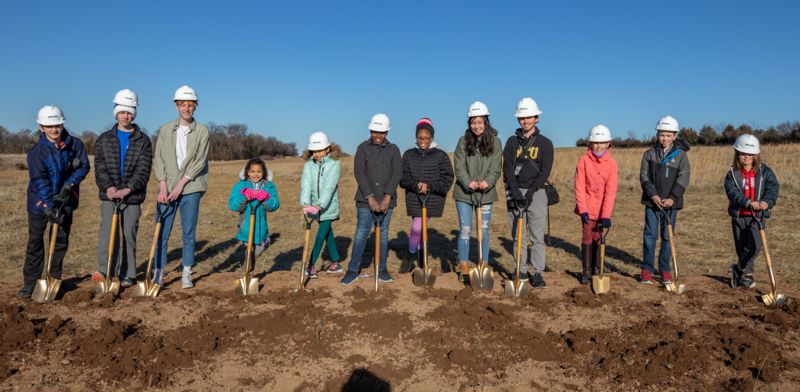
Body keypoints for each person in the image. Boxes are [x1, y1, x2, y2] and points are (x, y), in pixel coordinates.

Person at [19, 106, 90, 298]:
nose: (54, 130)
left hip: (65, 199)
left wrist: (68, 185)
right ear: (41, 128)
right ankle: (30, 283)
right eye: (49, 126)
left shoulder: (75, 145)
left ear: (62, 123)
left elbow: (84, 167)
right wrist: (50, 206)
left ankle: (54, 278)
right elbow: (40, 180)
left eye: (57, 125)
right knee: (35, 242)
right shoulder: (36, 153)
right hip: (39, 202)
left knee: (59, 240)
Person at [92, 89, 153, 287]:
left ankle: (128, 274)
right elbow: (100, 166)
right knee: (107, 234)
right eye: (122, 112)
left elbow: (144, 170)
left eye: (129, 112)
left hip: (132, 197)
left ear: (134, 114)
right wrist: (109, 187)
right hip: (109, 196)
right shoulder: (103, 139)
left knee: (129, 234)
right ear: (116, 113)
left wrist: (127, 189)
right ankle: (104, 270)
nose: (126, 116)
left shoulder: (143, 140)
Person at [153, 85, 209, 288]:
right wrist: (163, 186)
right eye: (183, 105)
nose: (187, 108)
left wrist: (181, 185)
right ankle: (158, 271)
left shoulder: (202, 131)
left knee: (188, 232)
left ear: (195, 107)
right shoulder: (166, 130)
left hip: (190, 188)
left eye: (190, 105)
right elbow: (158, 158)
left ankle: (187, 272)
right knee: (162, 231)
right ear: (176, 106)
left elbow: (199, 161)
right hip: (166, 188)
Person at [340, 113, 402, 285]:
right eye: (375, 131)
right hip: (364, 201)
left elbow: (397, 173)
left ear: (387, 132)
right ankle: (352, 270)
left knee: (382, 234)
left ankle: (381, 270)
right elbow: (359, 173)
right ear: (370, 129)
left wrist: (387, 197)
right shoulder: (362, 148)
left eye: (381, 132)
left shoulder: (394, 149)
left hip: (387, 201)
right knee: (361, 233)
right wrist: (371, 198)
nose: (378, 135)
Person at [502, 97, 553, 289]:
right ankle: (520, 270)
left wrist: (530, 192)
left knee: (537, 236)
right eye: (522, 118)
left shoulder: (545, 144)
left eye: (529, 117)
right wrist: (515, 191)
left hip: (537, 193)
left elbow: (545, 171)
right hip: (514, 192)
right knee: (518, 235)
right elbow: (507, 167)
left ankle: (538, 272)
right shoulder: (511, 142)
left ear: (536, 118)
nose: (525, 121)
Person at [639, 116, 691, 285]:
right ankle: (647, 269)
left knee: (667, 237)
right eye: (662, 135)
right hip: (652, 202)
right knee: (650, 236)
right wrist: (653, 195)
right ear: (657, 134)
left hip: (671, 204)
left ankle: (665, 270)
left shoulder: (681, 156)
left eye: (669, 135)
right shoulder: (649, 154)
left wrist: (672, 198)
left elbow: (684, 177)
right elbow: (644, 176)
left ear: (675, 136)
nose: (665, 138)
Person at [453, 102, 502, 276]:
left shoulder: (496, 142)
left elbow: (496, 168)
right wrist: (468, 182)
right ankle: (464, 265)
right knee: (465, 230)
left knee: (484, 230)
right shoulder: (463, 141)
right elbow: (459, 166)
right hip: (464, 194)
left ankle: (484, 264)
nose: (476, 126)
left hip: (486, 194)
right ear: (469, 123)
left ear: (486, 122)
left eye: (480, 122)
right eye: (473, 122)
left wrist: (487, 182)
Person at [724, 134, 779, 289]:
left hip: (757, 216)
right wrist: (748, 202)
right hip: (739, 215)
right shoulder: (732, 175)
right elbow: (733, 193)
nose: (746, 157)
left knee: (754, 246)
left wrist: (766, 203)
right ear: (737, 154)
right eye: (743, 154)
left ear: (755, 154)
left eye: (749, 154)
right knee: (742, 248)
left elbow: (773, 189)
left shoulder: (765, 172)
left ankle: (738, 269)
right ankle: (747, 275)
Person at [399, 118, 454, 271]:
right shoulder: (409, 154)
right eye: (420, 138)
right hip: (414, 197)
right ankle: (420, 255)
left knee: (418, 226)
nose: (423, 141)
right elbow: (403, 177)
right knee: (420, 227)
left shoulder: (441, 155)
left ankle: (410, 255)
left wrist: (430, 187)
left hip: (432, 198)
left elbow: (447, 176)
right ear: (416, 137)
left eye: (427, 138)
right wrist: (416, 185)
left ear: (432, 138)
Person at [573, 125, 618, 285]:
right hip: (586, 208)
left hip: (601, 211)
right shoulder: (584, 161)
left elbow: (610, 191)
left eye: (602, 142)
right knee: (587, 237)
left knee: (598, 238)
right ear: (590, 143)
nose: (599, 145)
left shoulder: (612, 164)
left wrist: (606, 215)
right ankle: (586, 271)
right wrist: (583, 210)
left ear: (608, 143)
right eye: (595, 142)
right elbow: (579, 186)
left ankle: (597, 270)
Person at [299, 132, 342, 278]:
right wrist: (305, 204)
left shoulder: (334, 165)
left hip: (328, 206)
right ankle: (336, 262)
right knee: (327, 234)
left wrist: (320, 205)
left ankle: (310, 265)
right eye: (314, 151)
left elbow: (329, 188)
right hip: (313, 208)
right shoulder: (308, 166)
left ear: (328, 149)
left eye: (320, 150)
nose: (316, 154)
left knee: (319, 236)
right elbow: (306, 185)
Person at [228, 158, 280, 262]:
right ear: (247, 172)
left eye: (259, 171)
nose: (256, 174)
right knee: (249, 251)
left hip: (261, 228)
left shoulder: (268, 186)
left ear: (264, 172)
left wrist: (266, 198)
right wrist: (244, 197)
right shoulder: (240, 186)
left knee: (257, 252)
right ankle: (247, 273)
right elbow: (233, 206)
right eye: (252, 171)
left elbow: (275, 205)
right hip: (246, 227)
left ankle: (249, 268)